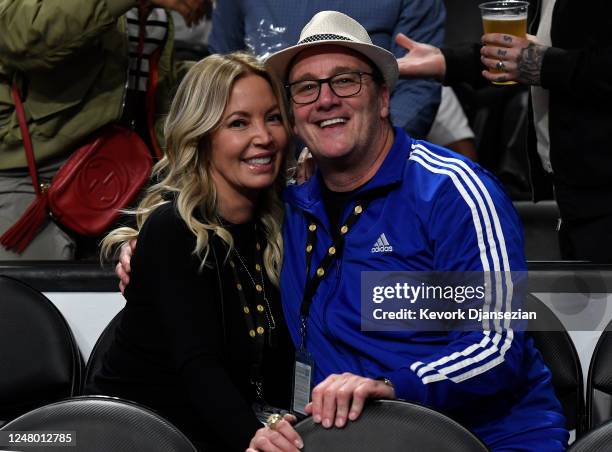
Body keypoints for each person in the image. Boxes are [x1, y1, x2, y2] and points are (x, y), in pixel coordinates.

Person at [117, 11, 568, 452]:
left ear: (384, 99)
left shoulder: (449, 193)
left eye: (346, 80)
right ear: (295, 113)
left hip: (482, 438)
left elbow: (495, 345)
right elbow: (200, 217)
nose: (326, 99)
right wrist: (147, 250)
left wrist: (391, 387)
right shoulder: (286, 204)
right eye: (307, 88)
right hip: (348, 437)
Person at [85, 53, 295, 451]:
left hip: (211, 432)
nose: (264, 136)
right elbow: (198, 365)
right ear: (201, 136)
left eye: (273, 117)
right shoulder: (173, 229)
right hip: (133, 438)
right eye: (238, 123)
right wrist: (253, 438)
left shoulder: (277, 224)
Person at [395, 0, 612, 262]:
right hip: (573, 192)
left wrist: (543, 64)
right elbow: (528, 51)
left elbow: (553, 60)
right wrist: (446, 62)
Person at [0, 0, 207, 260]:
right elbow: (21, 36)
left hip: (117, 176)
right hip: (34, 177)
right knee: (27, 296)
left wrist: (225, 79)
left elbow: (137, 75)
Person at [207, 0, 445, 140]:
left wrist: (364, 153)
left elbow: (418, 86)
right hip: (268, 154)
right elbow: (221, 77)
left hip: (368, 147)